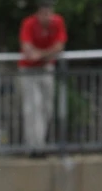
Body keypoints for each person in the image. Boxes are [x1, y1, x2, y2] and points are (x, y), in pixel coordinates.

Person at [18, 0, 67, 156]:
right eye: (44, 11)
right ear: (38, 12)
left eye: (50, 11)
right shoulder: (29, 23)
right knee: (32, 108)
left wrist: (41, 54)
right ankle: (34, 147)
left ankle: (41, 143)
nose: (47, 15)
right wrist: (44, 54)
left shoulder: (57, 22)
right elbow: (27, 49)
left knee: (47, 108)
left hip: (46, 68)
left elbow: (59, 46)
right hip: (29, 70)